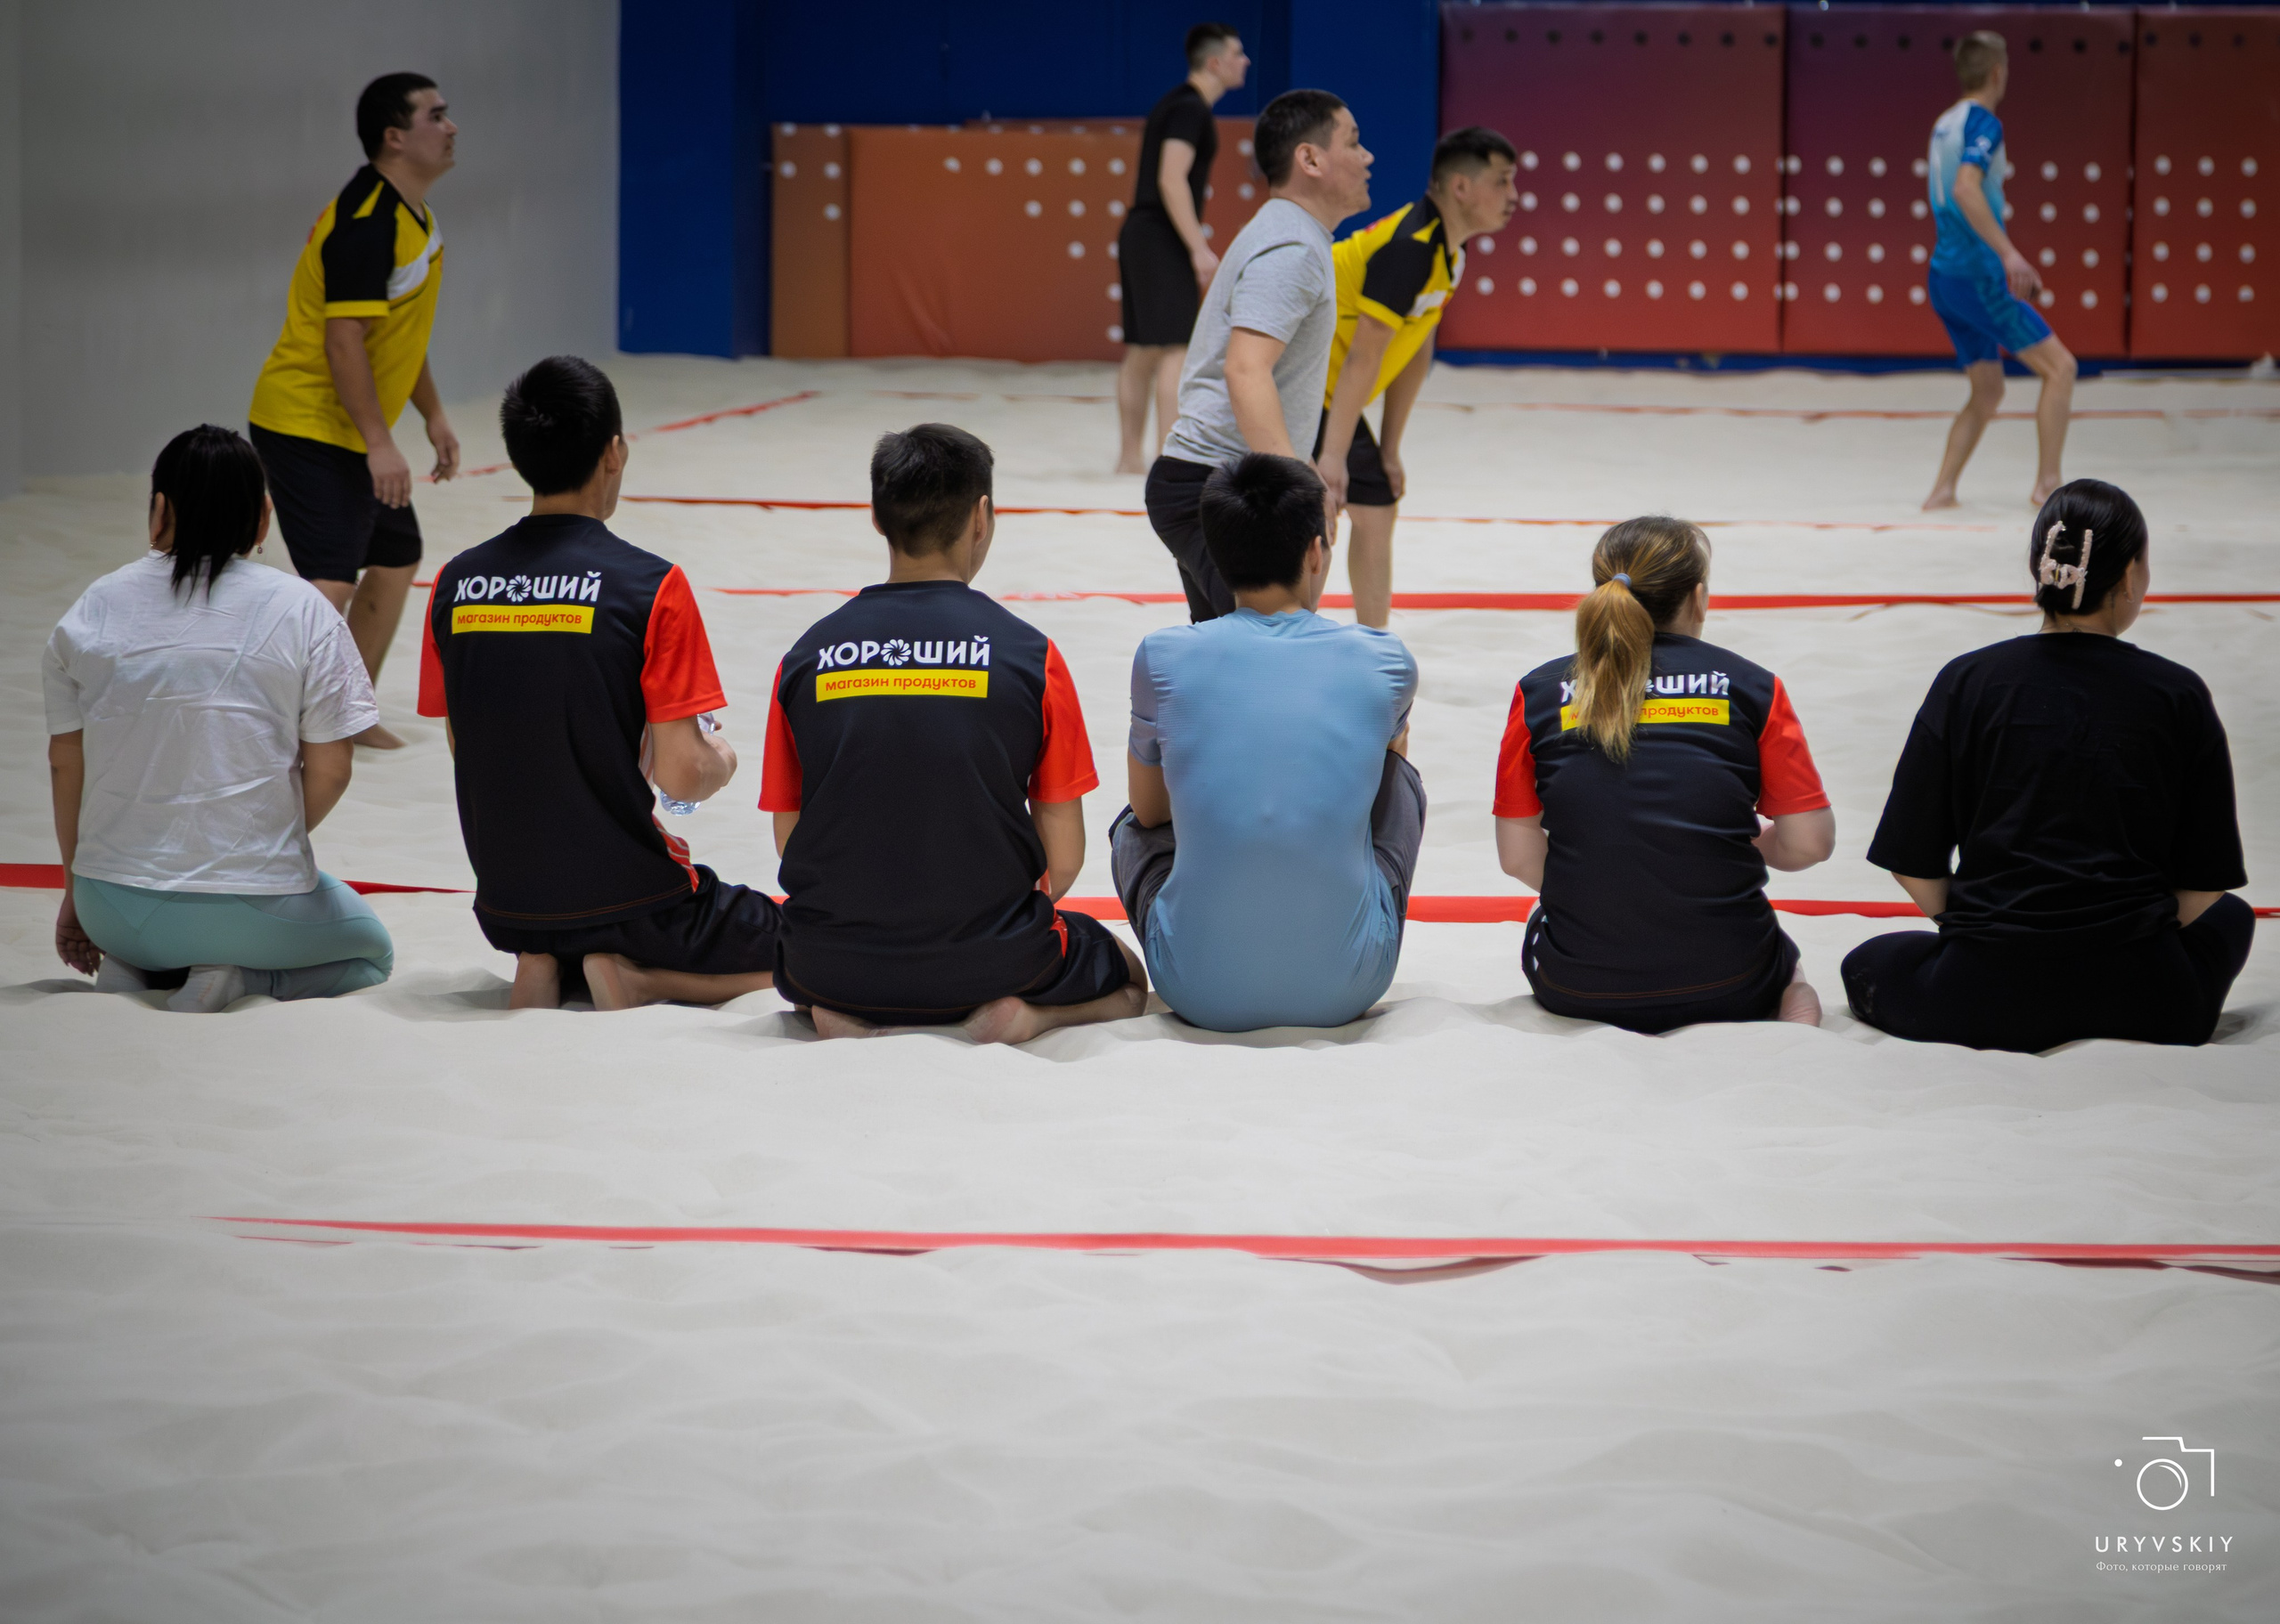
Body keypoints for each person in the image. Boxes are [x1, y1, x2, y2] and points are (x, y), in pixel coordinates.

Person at [760, 424, 1145, 1043]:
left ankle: (847, 1010)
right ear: (982, 517)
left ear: (878, 519)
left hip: (825, 964)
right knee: (1127, 976)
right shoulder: (1029, 655)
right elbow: (1065, 860)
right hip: (991, 960)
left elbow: (790, 840)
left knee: (826, 957)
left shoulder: (805, 657)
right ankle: (1029, 1016)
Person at [416, 356, 779, 1012]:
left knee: (571, 900)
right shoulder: (650, 587)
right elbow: (681, 777)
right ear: (614, 452)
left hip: (506, 905)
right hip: (633, 902)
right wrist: (719, 760)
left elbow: (467, 746)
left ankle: (545, 957)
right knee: (815, 944)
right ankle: (639, 979)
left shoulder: (453, 584)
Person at [1844, 480, 2252, 1052]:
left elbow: (1912, 863)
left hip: (1984, 995)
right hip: (2151, 1000)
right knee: (2232, 917)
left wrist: (1985, 930)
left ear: (2041, 570)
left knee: (1866, 961)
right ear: (2132, 576)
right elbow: (2206, 882)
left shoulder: (1967, 681)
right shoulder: (2177, 693)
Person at [44, 426, 394, 1013]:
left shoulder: (93, 605)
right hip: (245, 906)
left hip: (111, 907)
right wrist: (247, 846)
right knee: (371, 954)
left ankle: (136, 968)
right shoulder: (301, 608)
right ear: (263, 519)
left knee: (149, 921)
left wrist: (78, 896)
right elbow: (332, 770)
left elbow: (63, 763)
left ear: (159, 511)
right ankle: (244, 979)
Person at [1114, 452, 1421, 1031]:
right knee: (1398, 779)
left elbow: (1151, 812)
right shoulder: (1385, 659)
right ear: (1314, 551)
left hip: (1196, 988)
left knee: (1129, 826)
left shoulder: (1163, 655)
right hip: (1350, 985)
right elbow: (1378, 792)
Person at [1493, 518, 1835, 1034]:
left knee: (1545, 920)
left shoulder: (1539, 691)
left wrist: (1598, 881)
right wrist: (1723, 849)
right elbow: (1809, 844)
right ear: (1699, 598)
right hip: (1732, 981)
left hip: (1578, 985)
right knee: (1784, 954)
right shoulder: (1752, 685)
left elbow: (1518, 858)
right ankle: (1795, 991)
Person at [249, 71, 462, 749]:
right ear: (395, 137)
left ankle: (348, 714)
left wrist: (431, 414)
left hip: (349, 424)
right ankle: (266, 726)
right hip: (305, 421)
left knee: (397, 554)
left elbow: (393, 335)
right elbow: (343, 342)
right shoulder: (368, 222)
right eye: (437, 115)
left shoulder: (413, 216)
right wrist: (379, 441)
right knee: (329, 580)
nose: (451, 126)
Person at [1146, 89, 1372, 622]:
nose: (1368, 157)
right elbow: (1245, 369)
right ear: (1310, 159)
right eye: (1354, 142)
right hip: (1221, 485)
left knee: (1227, 658)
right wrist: (1301, 486)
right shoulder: (1292, 247)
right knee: (1271, 649)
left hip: (1209, 480)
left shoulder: (1289, 233)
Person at [1315, 126, 1518, 628]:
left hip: (1333, 393)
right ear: (1461, 188)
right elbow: (1364, 356)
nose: (1513, 196)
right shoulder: (1411, 248)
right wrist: (1333, 457)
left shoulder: (1451, 253)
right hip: (1302, 389)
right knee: (1317, 519)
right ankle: (1297, 636)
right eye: (1503, 181)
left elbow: (1414, 350)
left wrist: (1388, 448)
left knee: (1377, 505)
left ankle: (1373, 639)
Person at [1921, 31, 2077, 511]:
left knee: (1988, 389)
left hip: (1943, 276)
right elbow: (1967, 188)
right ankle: (2048, 484)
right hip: (1978, 276)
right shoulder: (1983, 122)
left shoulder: (1945, 123)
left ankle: (1942, 491)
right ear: (1997, 73)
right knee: (2062, 369)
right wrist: (2010, 254)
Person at [1113, 22, 1250, 475]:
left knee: (1142, 350)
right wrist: (1197, 247)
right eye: (1237, 53)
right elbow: (1171, 179)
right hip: (1160, 236)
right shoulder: (1190, 109)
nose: (1245, 61)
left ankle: (1132, 458)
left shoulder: (1176, 104)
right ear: (1215, 63)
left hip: (1142, 231)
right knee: (1174, 347)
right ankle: (1167, 458)